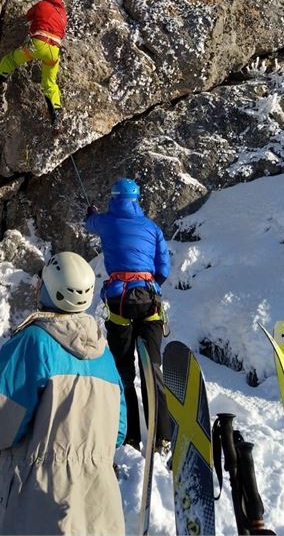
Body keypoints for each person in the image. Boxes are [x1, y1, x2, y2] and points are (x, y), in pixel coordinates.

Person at [0, 250, 126, 536]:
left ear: (51, 290)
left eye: (41, 281)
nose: (36, 285)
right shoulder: (105, 356)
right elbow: (117, 432)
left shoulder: (32, 342)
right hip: (95, 513)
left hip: (34, 509)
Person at [85, 177, 172, 453]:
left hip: (119, 301)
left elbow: (89, 224)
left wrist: (91, 213)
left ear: (114, 198)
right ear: (137, 199)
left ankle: (129, 435)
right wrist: (150, 283)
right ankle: (162, 435)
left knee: (123, 370)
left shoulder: (106, 222)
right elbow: (164, 268)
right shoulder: (152, 227)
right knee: (152, 369)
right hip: (148, 299)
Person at [0, 0, 67, 130]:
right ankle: (56, 113)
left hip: (38, 44)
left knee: (11, 60)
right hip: (54, 51)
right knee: (50, 83)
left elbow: (28, 16)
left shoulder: (42, 4)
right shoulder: (63, 14)